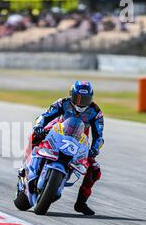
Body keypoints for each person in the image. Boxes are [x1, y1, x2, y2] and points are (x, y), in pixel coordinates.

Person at [31, 80, 104, 216]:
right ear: (72, 95)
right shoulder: (62, 102)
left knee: (95, 170)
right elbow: (44, 115)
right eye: (78, 98)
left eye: (86, 99)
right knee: (37, 134)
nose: (81, 102)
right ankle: (29, 165)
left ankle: (81, 203)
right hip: (57, 132)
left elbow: (99, 135)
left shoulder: (95, 111)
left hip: (79, 141)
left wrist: (95, 148)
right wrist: (39, 126)